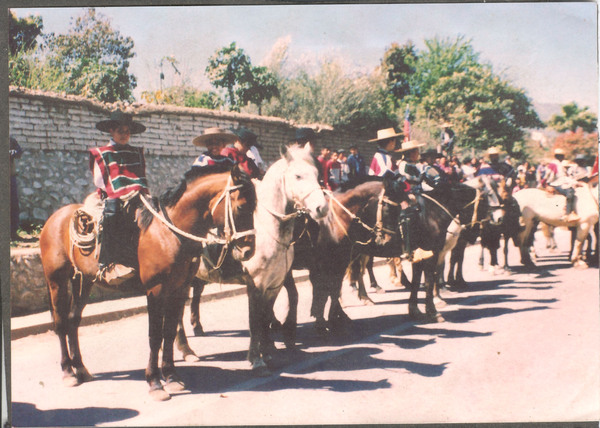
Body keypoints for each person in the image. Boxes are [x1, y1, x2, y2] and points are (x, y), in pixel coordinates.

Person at [89, 110, 149, 286]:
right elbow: (99, 181)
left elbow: (140, 176)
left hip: (137, 195)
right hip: (112, 196)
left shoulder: (136, 152)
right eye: (120, 130)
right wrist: (119, 193)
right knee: (113, 214)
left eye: (127, 131)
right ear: (111, 131)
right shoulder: (102, 153)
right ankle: (108, 263)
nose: (124, 134)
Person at [369, 129, 432, 263]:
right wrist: (401, 181)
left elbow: (397, 174)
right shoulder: (379, 156)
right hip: (382, 189)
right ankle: (409, 249)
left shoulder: (388, 156)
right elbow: (384, 173)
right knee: (408, 211)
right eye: (394, 140)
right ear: (390, 141)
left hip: (391, 188)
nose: (395, 143)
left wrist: (404, 181)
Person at [544, 148, 580, 223]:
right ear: (559, 156)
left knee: (572, 188)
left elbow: (564, 177)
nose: (563, 158)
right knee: (570, 192)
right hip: (555, 184)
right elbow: (547, 175)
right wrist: (546, 184)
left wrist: (575, 182)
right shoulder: (553, 164)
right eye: (562, 156)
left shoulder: (559, 164)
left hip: (560, 182)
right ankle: (568, 213)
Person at [10, 136, 23, 241]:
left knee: (13, 205)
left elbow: (19, 152)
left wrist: (13, 152)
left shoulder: (10, 140)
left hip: (10, 177)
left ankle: (13, 233)